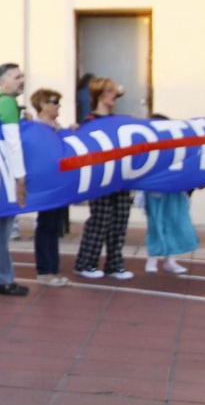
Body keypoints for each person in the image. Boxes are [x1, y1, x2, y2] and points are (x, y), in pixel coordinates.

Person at [75, 77, 135, 281]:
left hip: (121, 177)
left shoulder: (119, 121)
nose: (114, 96)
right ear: (100, 94)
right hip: (101, 178)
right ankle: (86, 262)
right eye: (110, 91)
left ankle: (114, 264)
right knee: (100, 221)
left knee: (120, 220)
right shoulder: (90, 121)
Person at [0, 63, 30, 298]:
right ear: (3, 82)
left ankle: (0, 276)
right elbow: (12, 142)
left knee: (0, 227)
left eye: (22, 76)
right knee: (3, 228)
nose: (22, 80)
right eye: (17, 77)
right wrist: (20, 177)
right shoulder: (8, 103)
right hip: (5, 173)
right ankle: (2, 279)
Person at [140, 117, 196, 274]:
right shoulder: (147, 145)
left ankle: (169, 259)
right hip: (154, 190)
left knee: (172, 221)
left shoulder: (174, 146)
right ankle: (152, 258)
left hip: (173, 190)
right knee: (156, 223)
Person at [28, 88, 70, 287]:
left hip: (60, 183)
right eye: (54, 101)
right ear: (43, 104)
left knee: (55, 226)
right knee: (46, 225)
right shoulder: (34, 127)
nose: (58, 105)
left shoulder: (59, 128)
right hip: (46, 184)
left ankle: (53, 268)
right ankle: (44, 270)